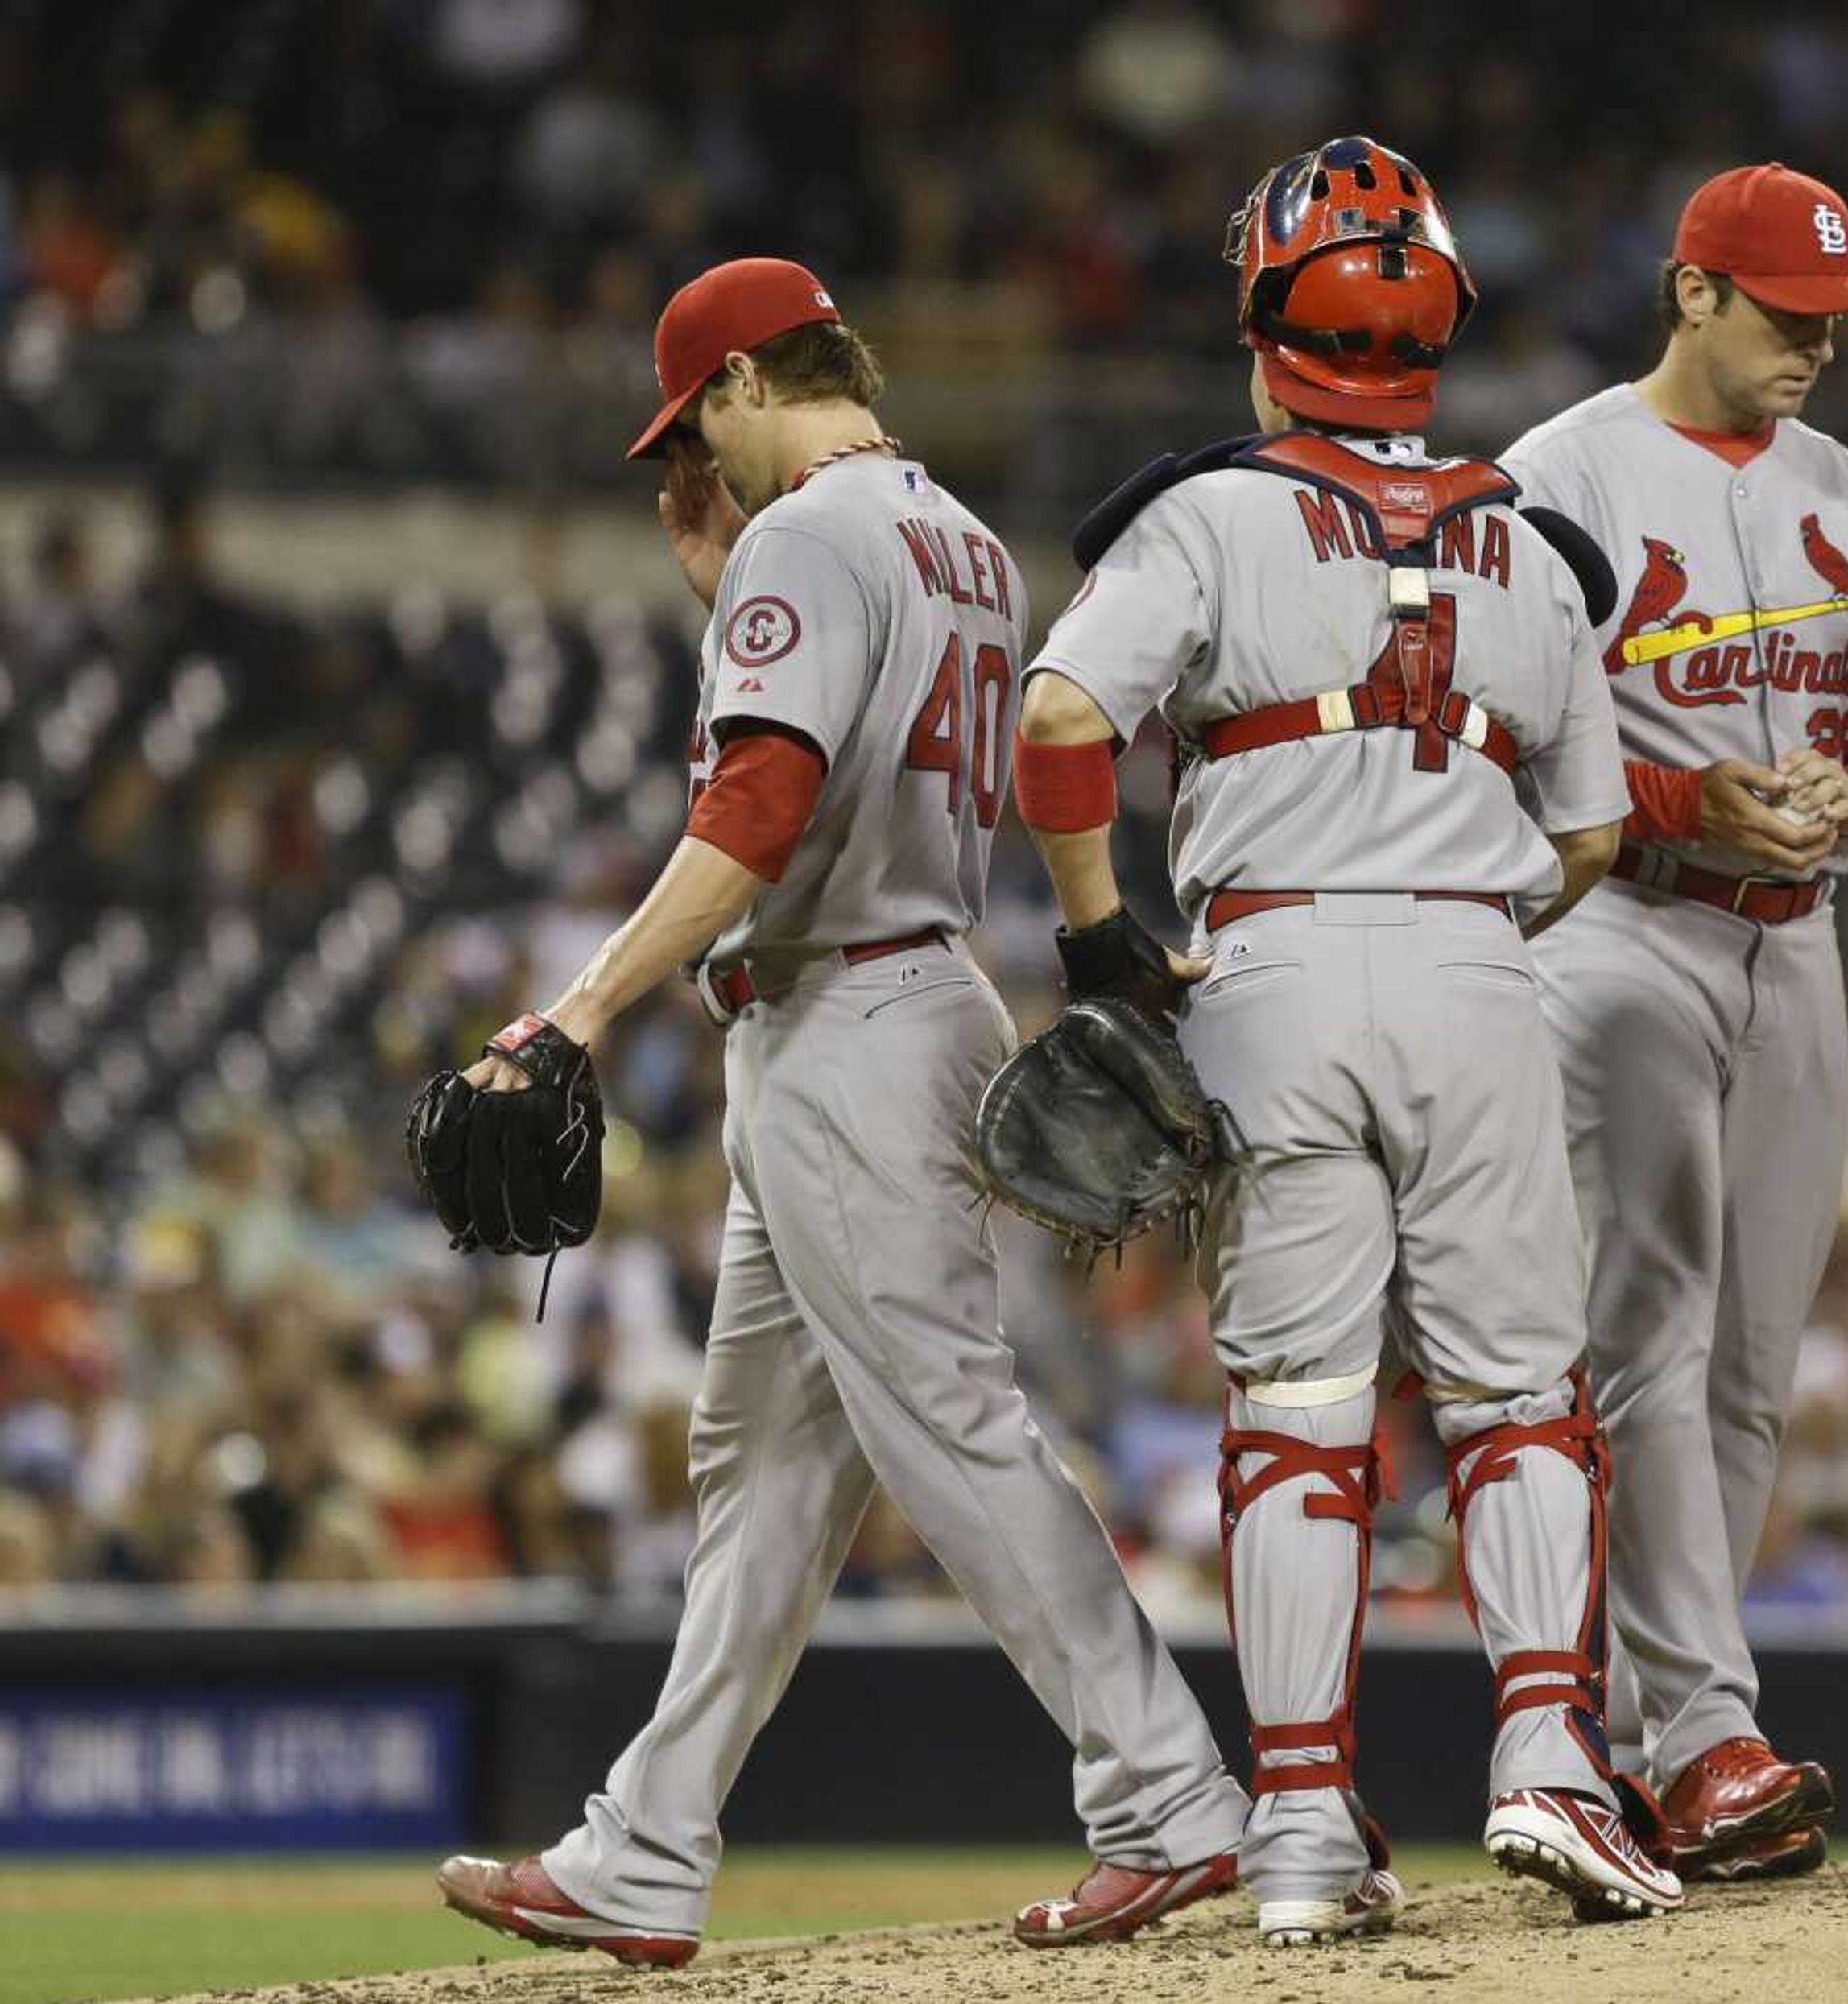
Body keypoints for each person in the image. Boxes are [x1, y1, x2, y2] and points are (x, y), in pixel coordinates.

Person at [432, 258, 1250, 1968]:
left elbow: (767, 795)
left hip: (848, 1016)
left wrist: (580, 1007)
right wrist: (728, 585)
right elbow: (846, 746)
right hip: (891, 987)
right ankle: (645, 1849)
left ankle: (1169, 1793)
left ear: (742, 382)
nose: (693, 461)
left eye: (693, 426)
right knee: (764, 1465)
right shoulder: (950, 533)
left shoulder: (809, 531)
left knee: (946, 1425)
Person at [1011, 136, 1681, 1947]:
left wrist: (1097, 936)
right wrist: (1466, 908)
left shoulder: (1203, 516)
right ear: (1439, 327)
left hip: (1267, 979)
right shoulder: (1534, 546)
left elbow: (1062, 723)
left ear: (1264, 323)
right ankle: (1550, 1762)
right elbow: (1599, 836)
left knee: (1297, 1413)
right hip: (1476, 968)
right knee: (1519, 1393)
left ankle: (1302, 1823)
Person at [1500, 163, 1848, 1882]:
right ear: (1694, 294)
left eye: (1834, 318)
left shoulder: (1843, 483)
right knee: (1652, 1335)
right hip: (1623, 934)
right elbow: (1512, 727)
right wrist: (1682, 799)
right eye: (1785, 313)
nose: (1817, 343)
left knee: (1751, 1367)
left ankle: (1667, 1742)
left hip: (1798, 940)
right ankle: (1703, 1730)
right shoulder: (1564, 473)